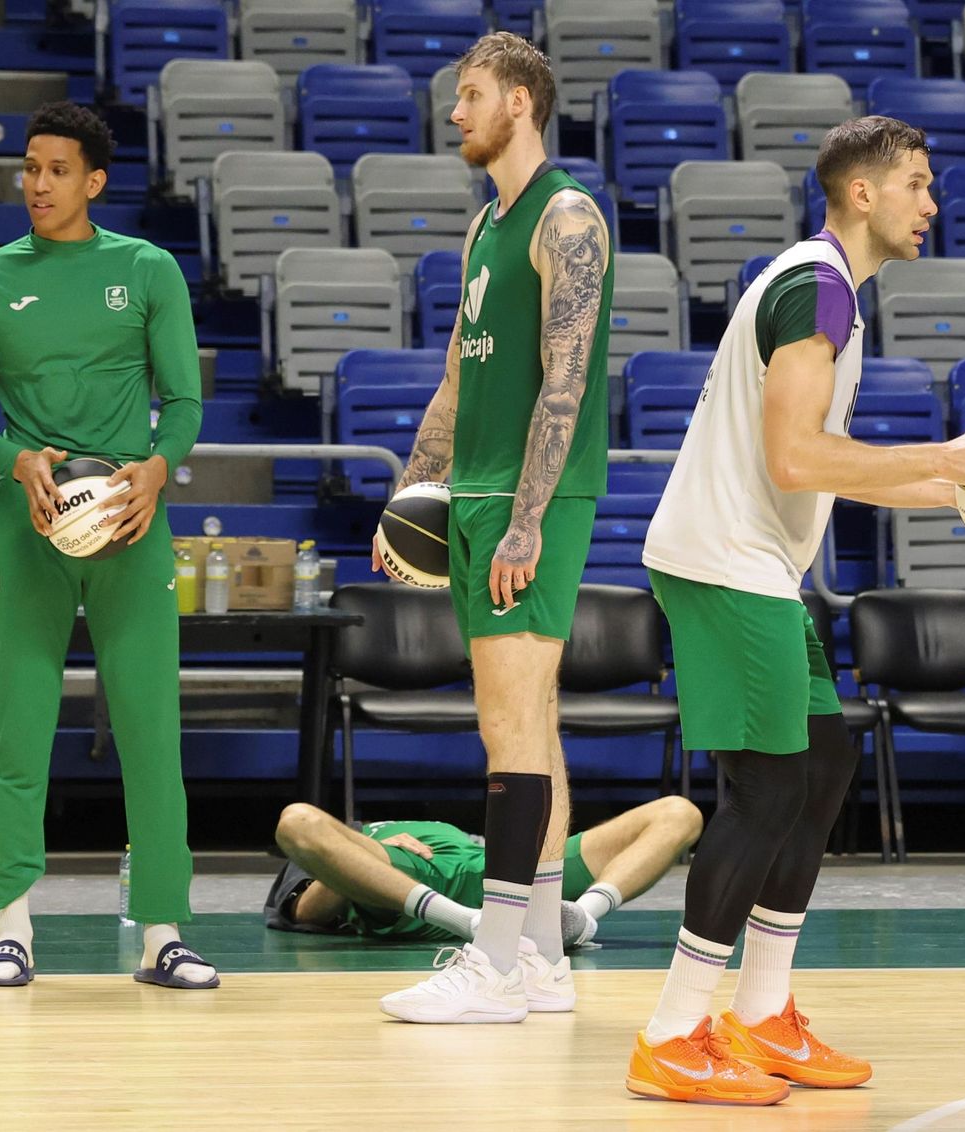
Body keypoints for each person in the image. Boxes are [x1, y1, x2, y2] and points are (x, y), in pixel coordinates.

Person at [625, 118, 965, 1104]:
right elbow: (794, 459)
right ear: (862, 193)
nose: (929, 203)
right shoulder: (815, 289)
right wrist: (940, 457)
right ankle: (673, 1030)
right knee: (767, 791)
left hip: (757, 562)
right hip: (723, 564)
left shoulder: (824, 292)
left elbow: (827, 467)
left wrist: (956, 494)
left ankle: (762, 1011)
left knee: (822, 767)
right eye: (916, 183)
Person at [0, 101, 216, 990]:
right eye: (29, 167)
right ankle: (12, 928)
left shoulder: (147, 269)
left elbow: (185, 402)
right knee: (19, 735)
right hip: (31, 530)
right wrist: (14, 458)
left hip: (131, 527)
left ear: (94, 181)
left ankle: (163, 935)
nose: (37, 184)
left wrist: (159, 468)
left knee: (150, 737)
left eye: (56, 170)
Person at [372, 32, 613, 1024]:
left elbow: (566, 381)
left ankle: (497, 963)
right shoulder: (486, 230)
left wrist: (524, 523)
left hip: (534, 504)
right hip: (470, 499)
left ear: (520, 101)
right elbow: (456, 380)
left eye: (472, 95)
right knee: (536, 732)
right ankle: (545, 957)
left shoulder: (568, 219)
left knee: (506, 729)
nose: (458, 112)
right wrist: (412, 496)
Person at [264, 797, 702, 946]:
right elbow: (306, 912)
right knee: (297, 819)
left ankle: (580, 917)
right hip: (420, 883)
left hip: (517, 868)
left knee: (679, 813)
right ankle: (471, 924)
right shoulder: (364, 843)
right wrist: (364, 848)